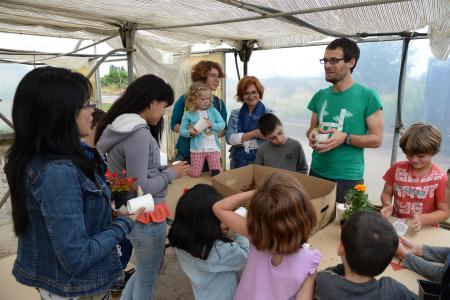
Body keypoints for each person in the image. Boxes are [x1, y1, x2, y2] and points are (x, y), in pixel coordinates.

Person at [4, 66, 143, 299]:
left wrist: (107, 216)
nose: (92, 111)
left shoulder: (35, 158)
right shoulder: (58, 171)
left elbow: (60, 226)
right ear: (61, 112)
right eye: (86, 104)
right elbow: (77, 257)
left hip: (60, 282)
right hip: (77, 288)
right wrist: (125, 223)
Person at [96, 74, 189, 300]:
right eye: (163, 106)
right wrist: (170, 173)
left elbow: (136, 174)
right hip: (146, 214)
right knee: (148, 278)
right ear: (152, 102)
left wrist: (160, 168)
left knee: (145, 273)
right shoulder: (137, 133)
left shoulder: (123, 127)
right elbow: (142, 187)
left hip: (132, 210)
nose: (164, 112)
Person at [213, 172, 321, 300]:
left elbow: (219, 207)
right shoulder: (309, 263)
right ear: (306, 215)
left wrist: (258, 193)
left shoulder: (256, 234)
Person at [306, 37, 384, 203]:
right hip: (316, 172)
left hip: (347, 177)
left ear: (351, 62)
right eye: (325, 60)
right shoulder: (320, 96)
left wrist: (345, 137)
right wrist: (312, 134)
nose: (327, 65)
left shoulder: (367, 96)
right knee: (312, 222)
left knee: (345, 226)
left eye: (334, 60)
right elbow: (312, 128)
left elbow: (377, 139)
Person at [167, 184, 249, 300]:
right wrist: (238, 228)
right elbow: (244, 255)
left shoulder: (180, 239)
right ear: (208, 223)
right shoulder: (218, 251)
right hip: (225, 295)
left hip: (203, 293)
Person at [314, 210, 418, 300]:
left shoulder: (324, 282)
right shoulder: (393, 289)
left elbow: (326, 273)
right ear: (386, 261)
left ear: (340, 248)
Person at [380, 123, 449, 231]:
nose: (414, 160)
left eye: (420, 156)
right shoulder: (396, 169)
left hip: (425, 230)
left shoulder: (440, 178)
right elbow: (386, 193)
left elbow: (445, 212)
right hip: (398, 226)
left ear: (433, 151)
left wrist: (423, 219)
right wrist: (387, 204)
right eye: (409, 154)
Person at [170, 60, 227, 166]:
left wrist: (209, 131)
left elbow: (223, 130)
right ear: (202, 76)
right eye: (213, 76)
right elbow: (173, 125)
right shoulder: (184, 100)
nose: (217, 80)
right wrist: (189, 130)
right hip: (186, 154)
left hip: (211, 153)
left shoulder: (219, 103)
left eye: (218, 77)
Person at [179, 81, 225, 177]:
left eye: (208, 99)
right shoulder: (188, 114)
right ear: (193, 99)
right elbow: (181, 131)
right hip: (197, 149)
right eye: (202, 99)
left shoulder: (213, 111)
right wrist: (190, 133)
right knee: (195, 174)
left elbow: (222, 124)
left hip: (213, 148)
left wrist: (212, 125)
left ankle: (219, 169)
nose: (206, 101)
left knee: (216, 174)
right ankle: (183, 167)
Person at [226, 76, 272, 169]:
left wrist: (241, 139)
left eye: (254, 92)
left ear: (259, 93)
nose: (250, 96)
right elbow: (229, 139)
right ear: (241, 96)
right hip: (236, 162)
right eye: (246, 93)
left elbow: (269, 141)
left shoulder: (268, 114)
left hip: (261, 162)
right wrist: (255, 133)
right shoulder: (235, 114)